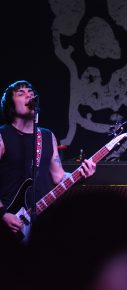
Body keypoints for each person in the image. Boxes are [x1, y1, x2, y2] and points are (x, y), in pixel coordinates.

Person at [0, 80, 96, 236]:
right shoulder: (3, 136)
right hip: (10, 223)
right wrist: (3, 214)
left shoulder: (46, 136)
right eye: (21, 93)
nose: (29, 95)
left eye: (31, 93)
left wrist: (81, 174)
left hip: (42, 221)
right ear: (10, 104)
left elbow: (59, 177)